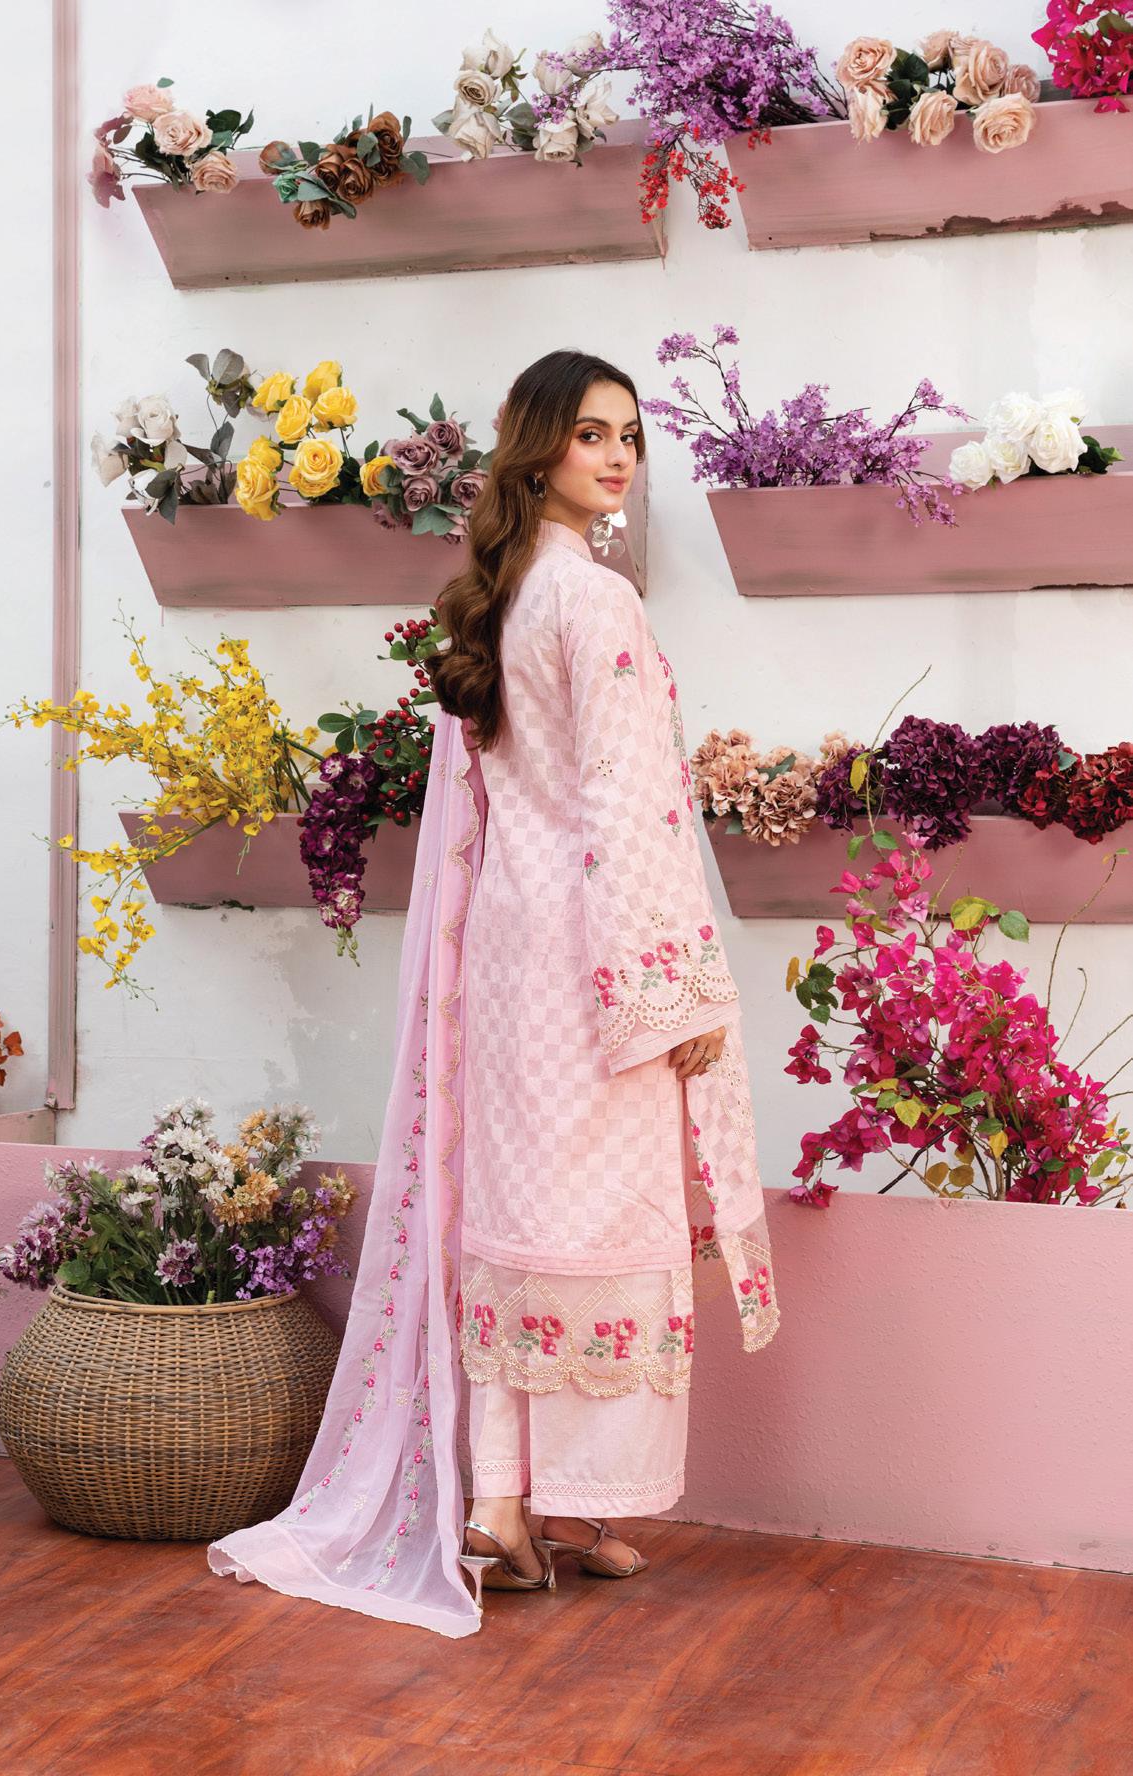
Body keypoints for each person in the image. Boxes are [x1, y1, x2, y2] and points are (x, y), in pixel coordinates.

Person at [206, 349, 778, 1637]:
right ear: (538, 449)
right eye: (590, 434)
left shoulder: (506, 598)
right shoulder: (597, 599)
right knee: (602, 1219)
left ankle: (510, 1505)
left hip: (511, 956)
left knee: (525, 1219)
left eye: (629, 435)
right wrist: (677, 997)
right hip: (595, 960)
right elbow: (626, 810)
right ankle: (547, 1503)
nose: (617, 457)